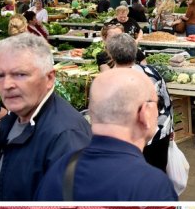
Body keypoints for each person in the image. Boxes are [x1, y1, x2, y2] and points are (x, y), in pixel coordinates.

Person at [34, 68, 177, 201]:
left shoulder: (58, 171)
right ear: (144, 113)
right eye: (156, 105)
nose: (158, 112)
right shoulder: (154, 186)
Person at [0, 33, 91, 201]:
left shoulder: (66, 135)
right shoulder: (12, 119)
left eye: (20, 74)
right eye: (0, 75)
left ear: (49, 78)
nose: (7, 85)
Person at [104, 33, 172, 172]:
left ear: (110, 55)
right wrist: (169, 128)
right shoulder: (151, 72)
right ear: (135, 52)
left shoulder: (109, 81)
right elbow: (166, 100)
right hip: (158, 134)